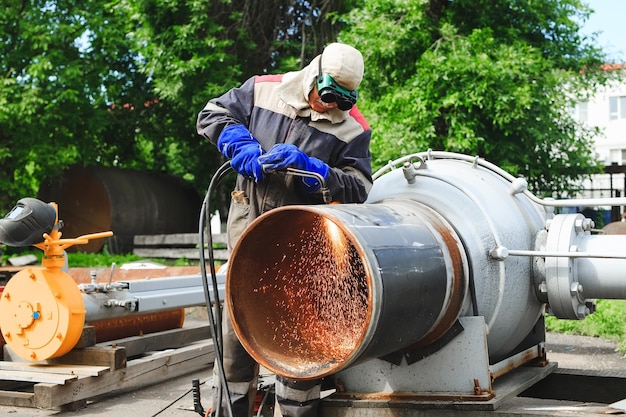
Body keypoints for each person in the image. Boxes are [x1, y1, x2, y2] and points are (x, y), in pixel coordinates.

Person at [196, 42, 372, 417]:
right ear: (314, 75)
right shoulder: (263, 89)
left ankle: (295, 409)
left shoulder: (352, 127)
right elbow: (212, 113)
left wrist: (317, 170)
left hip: (303, 240)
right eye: (327, 96)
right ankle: (231, 408)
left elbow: (361, 188)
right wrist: (239, 144)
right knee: (237, 327)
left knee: (299, 329)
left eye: (342, 101)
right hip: (249, 225)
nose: (331, 107)